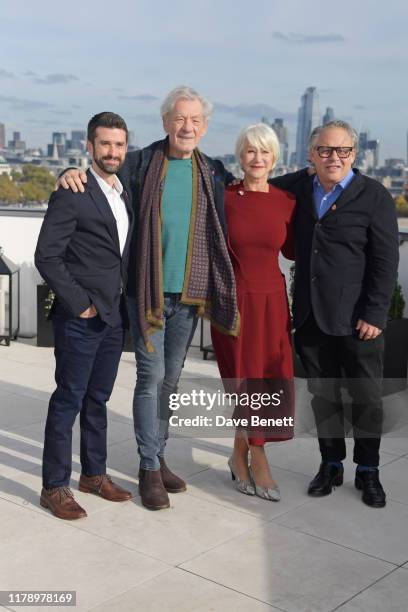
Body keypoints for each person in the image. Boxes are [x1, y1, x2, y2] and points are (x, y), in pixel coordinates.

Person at [56, 86, 239, 511]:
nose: (187, 126)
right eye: (179, 118)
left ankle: (159, 454)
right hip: (147, 294)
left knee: (171, 383)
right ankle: (148, 467)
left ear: (205, 126)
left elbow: (254, 186)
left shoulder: (212, 171)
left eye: (195, 120)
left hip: (189, 296)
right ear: (165, 122)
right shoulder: (140, 164)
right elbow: (99, 173)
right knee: (150, 379)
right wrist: (67, 170)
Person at [272, 120, 399, 508]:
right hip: (311, 315)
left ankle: (368, 471)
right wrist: (304, 171)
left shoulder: (374, 195)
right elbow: (261, 183)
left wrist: (375, 314)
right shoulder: (297, 188)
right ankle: (330, 463)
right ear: (311, 155)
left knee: (366, 398)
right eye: (324, 150)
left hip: (358, 320)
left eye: (342, 150)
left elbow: (385, 261)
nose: (334, 157)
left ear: (354, 155)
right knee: (322, 395)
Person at [35, 112, 134, 520]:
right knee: (68, 399)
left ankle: (93, 474)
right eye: (105, 144)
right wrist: (80, 303)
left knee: (99, 398)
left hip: (113, 316)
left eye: (119, 145)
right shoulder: (72, 191)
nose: (113, 152)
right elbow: (47, 256)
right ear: (90, 147)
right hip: (81, 317)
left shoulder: (125, 191)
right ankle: (54, 486)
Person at [211, 124, 295, 502]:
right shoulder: (224, 198)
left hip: (274, 301)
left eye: (264, 152)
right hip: (235, 302)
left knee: (267, 380)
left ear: (274, 158)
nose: (257, 159)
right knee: (245, 381)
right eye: (249, 152)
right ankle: (258, 455)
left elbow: (293, 250)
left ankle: (237, 454)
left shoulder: (286, 201)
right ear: (239, 157)